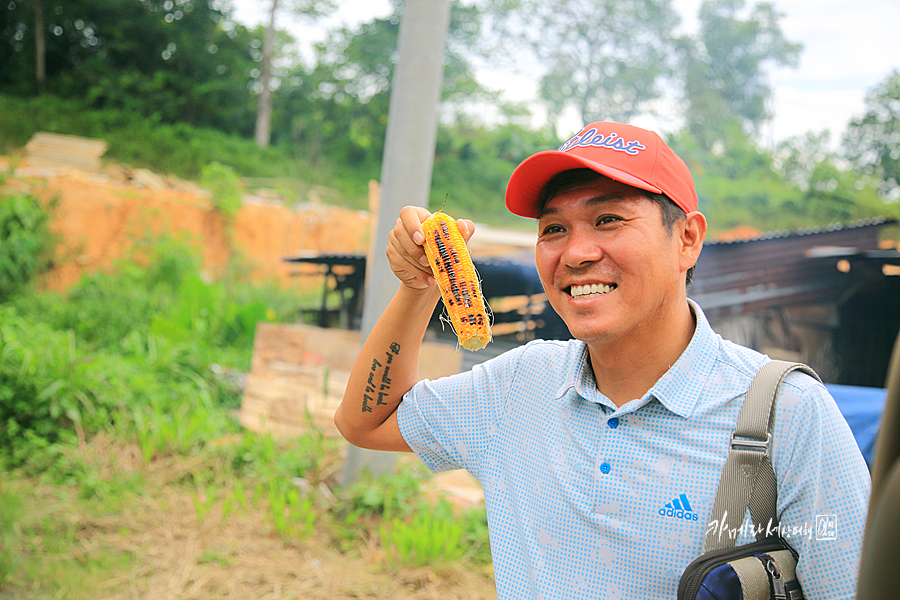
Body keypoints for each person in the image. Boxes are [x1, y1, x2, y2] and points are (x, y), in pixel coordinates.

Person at [333, 121, 870, 599]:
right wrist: (420, 288)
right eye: (553, 229)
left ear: (687, 239)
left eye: (609, 219)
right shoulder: (518, 385)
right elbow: (366, 420)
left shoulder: (786, 414)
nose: (576, 252)